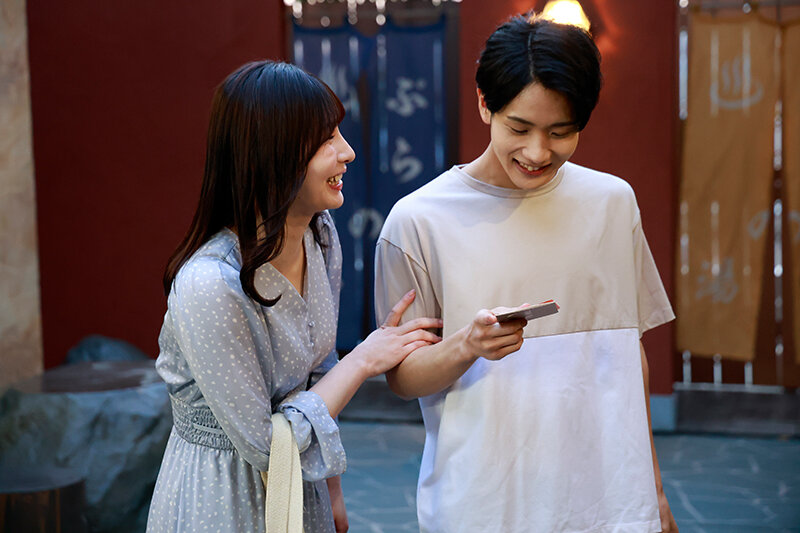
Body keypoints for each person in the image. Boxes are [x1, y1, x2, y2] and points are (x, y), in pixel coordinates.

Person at [375, 13, 679, 533]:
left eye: (561, 132)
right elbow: (402, 378)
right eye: (519, 128)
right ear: (484, 104)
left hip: (610, 504)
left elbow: (629, 356)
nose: (538, 152)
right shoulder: (418, 221)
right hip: (483, 506)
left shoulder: (612, 203)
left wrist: (653, 488)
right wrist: (466, 345)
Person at [146, 60, 442, 533]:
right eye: (326, 140)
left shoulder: (319, 236)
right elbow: (265, 447)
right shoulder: (209, 283)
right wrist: (363, 360)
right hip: (222, 497)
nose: (347, 152)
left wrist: (332, 490)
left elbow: (317, 372)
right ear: (271, 154)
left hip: (303, 488)